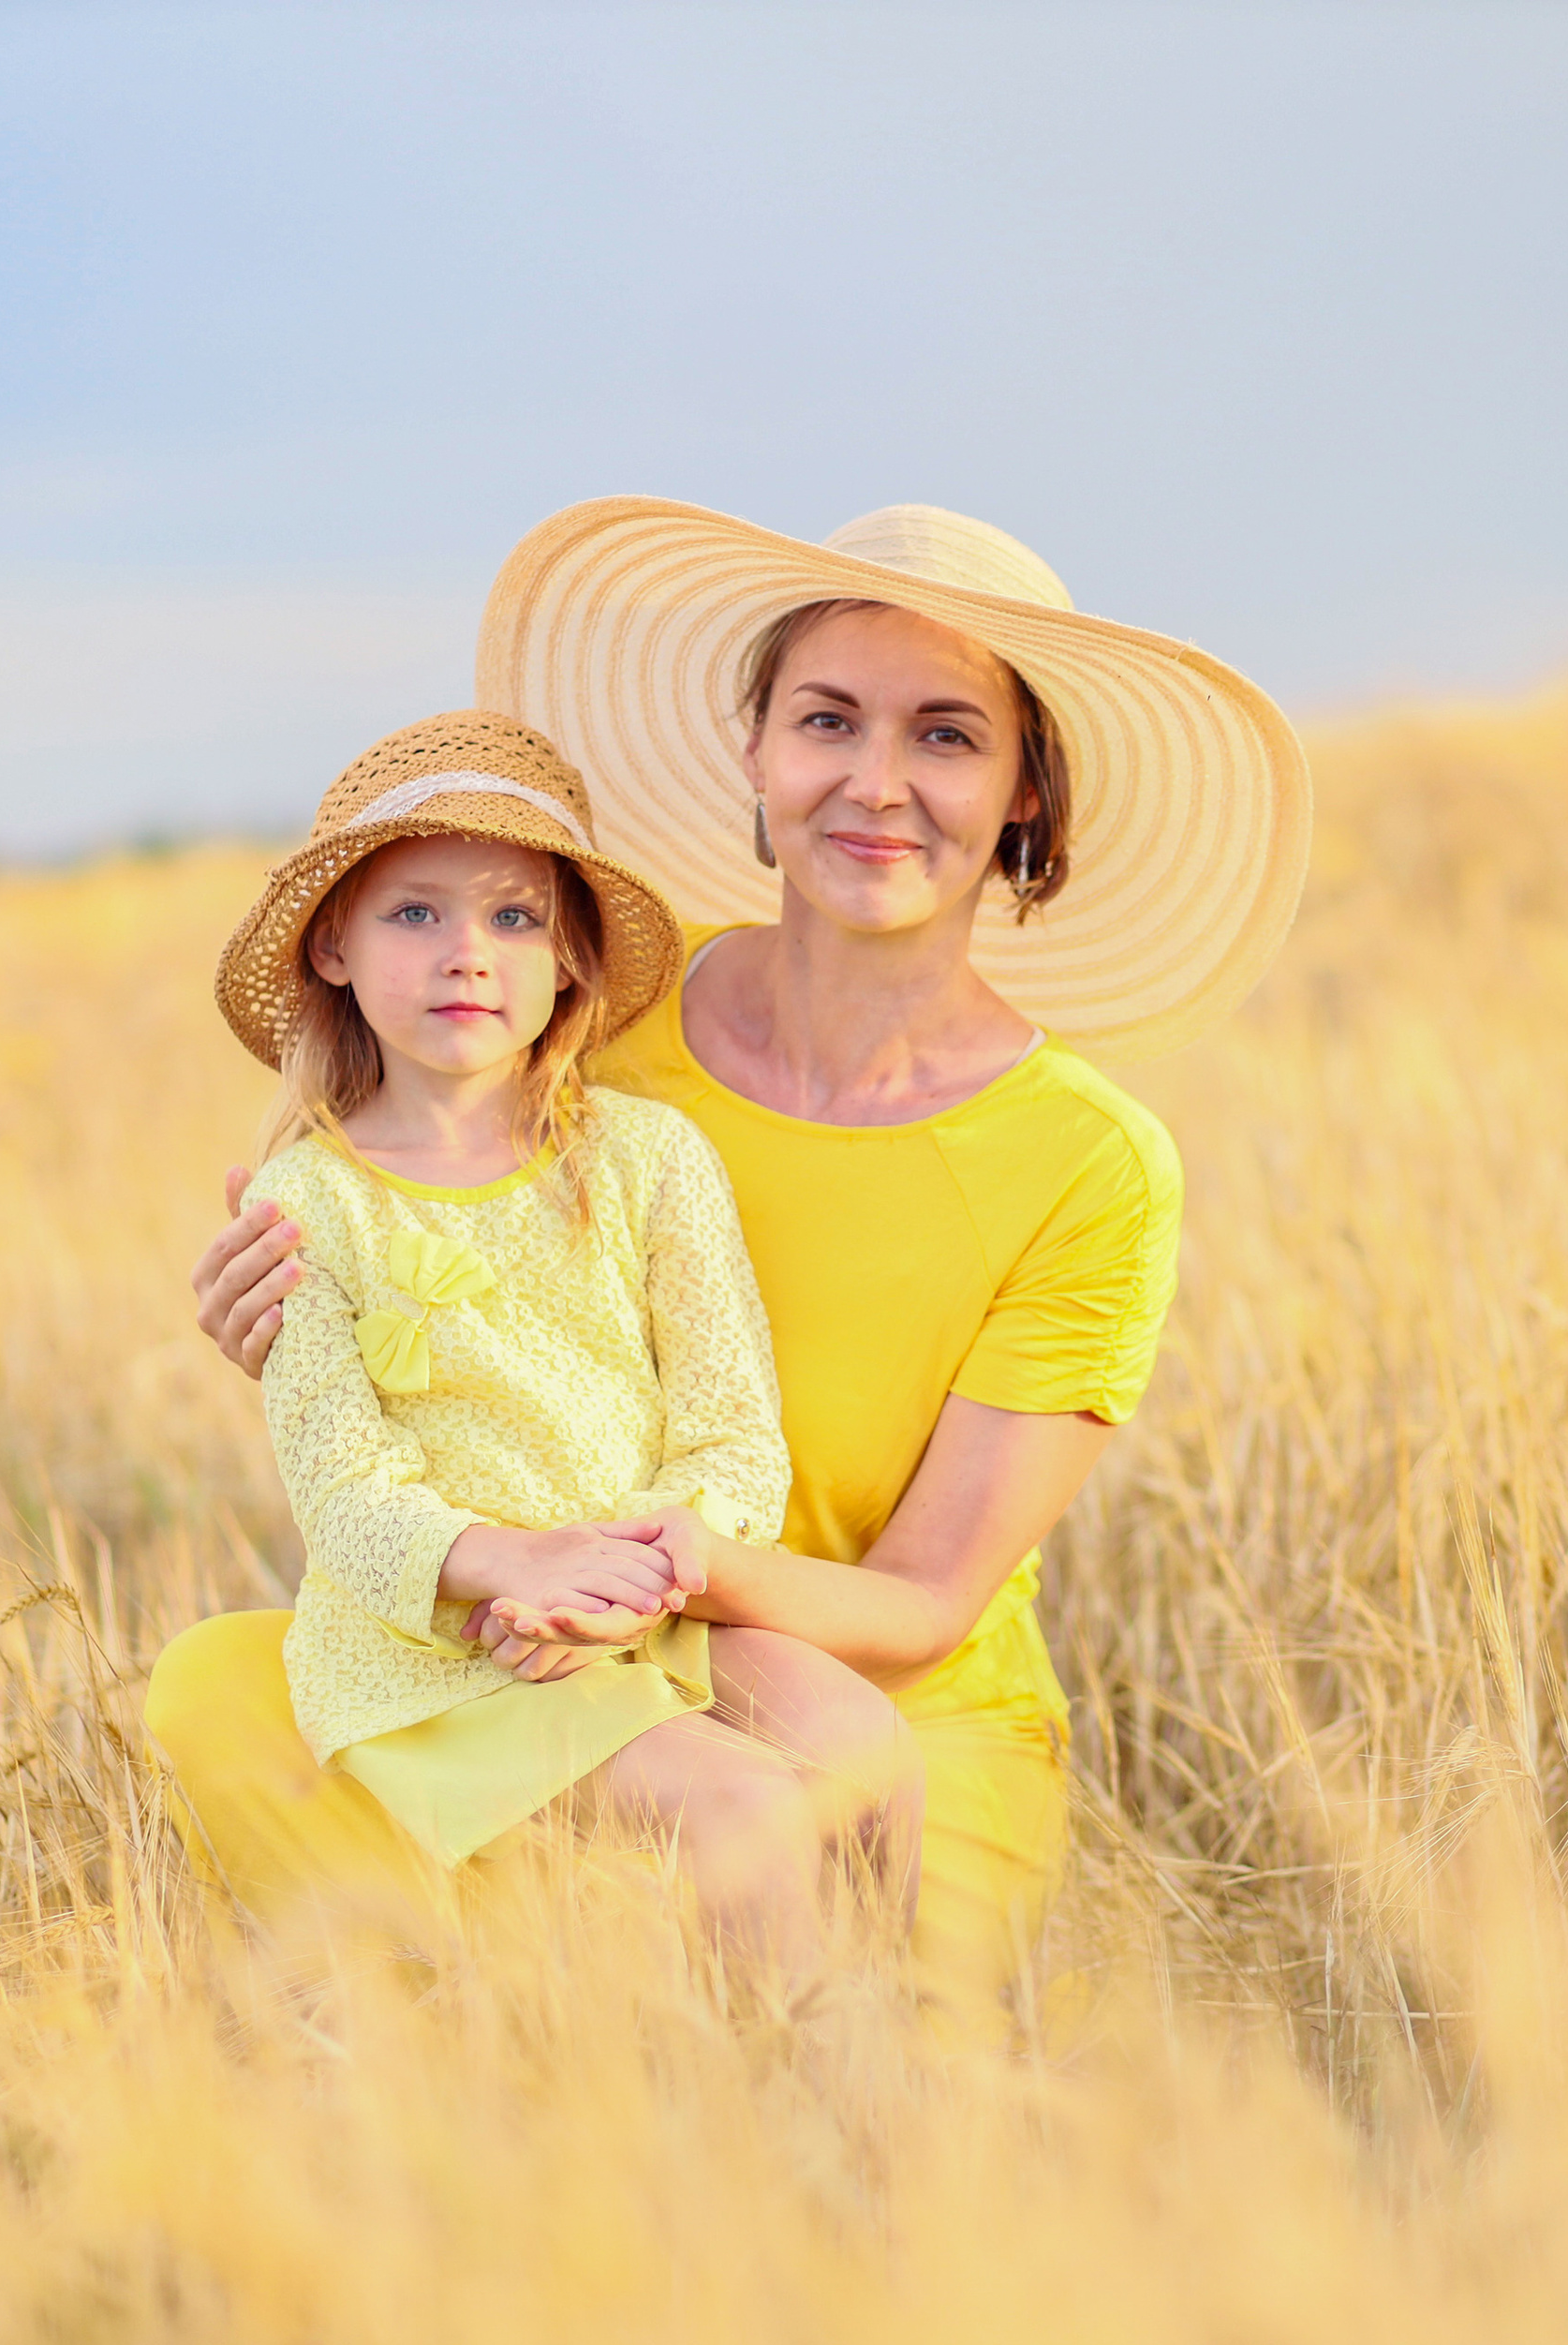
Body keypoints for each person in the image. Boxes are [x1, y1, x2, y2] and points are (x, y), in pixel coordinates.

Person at [152, 499, 1311, 2027]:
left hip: (881, 1705)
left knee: (835, 2001)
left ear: (1027, 794)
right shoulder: (586, 1022)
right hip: (544, 1649)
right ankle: (520, 2015)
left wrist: (666, 1575)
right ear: (755, 751)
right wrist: (303, 1319)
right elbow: (415, 1238)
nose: (876, 781)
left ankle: (603, 2013)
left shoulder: (1089, 1164)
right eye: (827, 719)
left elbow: (924, 1600)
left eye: (949, 735)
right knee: (217, 1688)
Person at [190, 705, 922, 1973]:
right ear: (333, 950)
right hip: (448, 1650)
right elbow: (346, 1498)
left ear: (572, 960)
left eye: (513, 918)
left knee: (865, 1749)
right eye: (414, 913)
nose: (466, 953)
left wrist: (626, 1577)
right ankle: (838, 2139)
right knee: (746, 1810)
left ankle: (914, 2060)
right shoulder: (308, 1205)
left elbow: (733, 1430)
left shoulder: (647, 1161)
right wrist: (510, 1569)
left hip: (652, 1596)